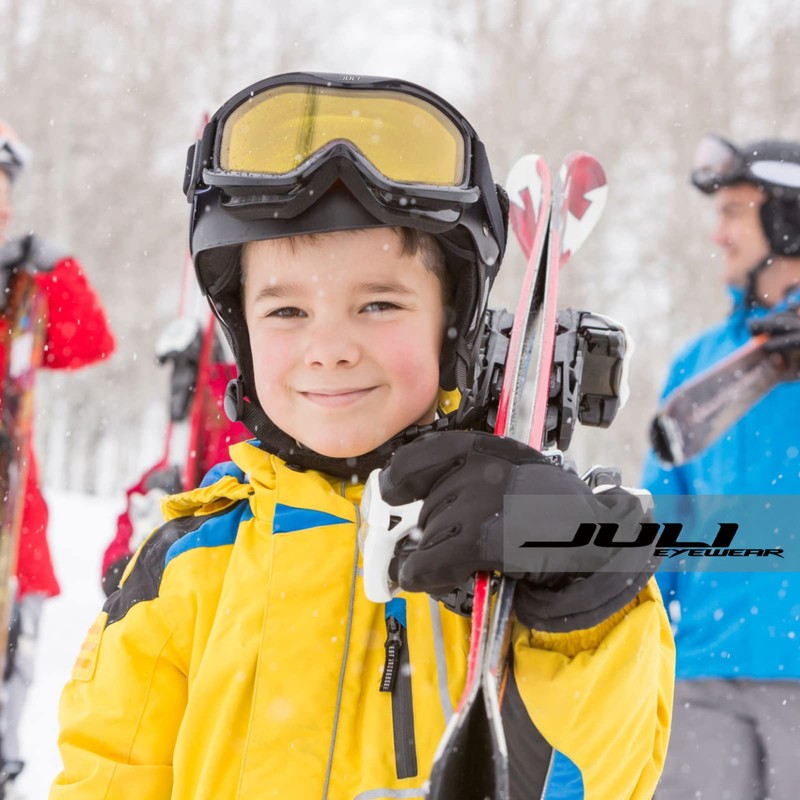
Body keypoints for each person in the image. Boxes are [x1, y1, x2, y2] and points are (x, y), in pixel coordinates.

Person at [52, 72, 673, 800]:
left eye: (378, 304)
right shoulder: (187, 569)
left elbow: (600, 776)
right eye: (286, 312)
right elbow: (106, 775)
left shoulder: (510, 552)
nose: (329, 349)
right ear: (242, 332)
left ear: (451, 326)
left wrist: (578, 594)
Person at [642, 134, 800, 800]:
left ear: (787, 220)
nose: (718, 234)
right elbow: (664, 526)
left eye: (734, 212)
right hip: (704, 671)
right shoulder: (701, 367)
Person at [0, 123, 115, 788]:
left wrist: (56, 270)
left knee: (11, 666)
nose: (3, 208)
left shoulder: (19, 295)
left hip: (12, 523)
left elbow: (88, 342)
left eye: (6, 193)